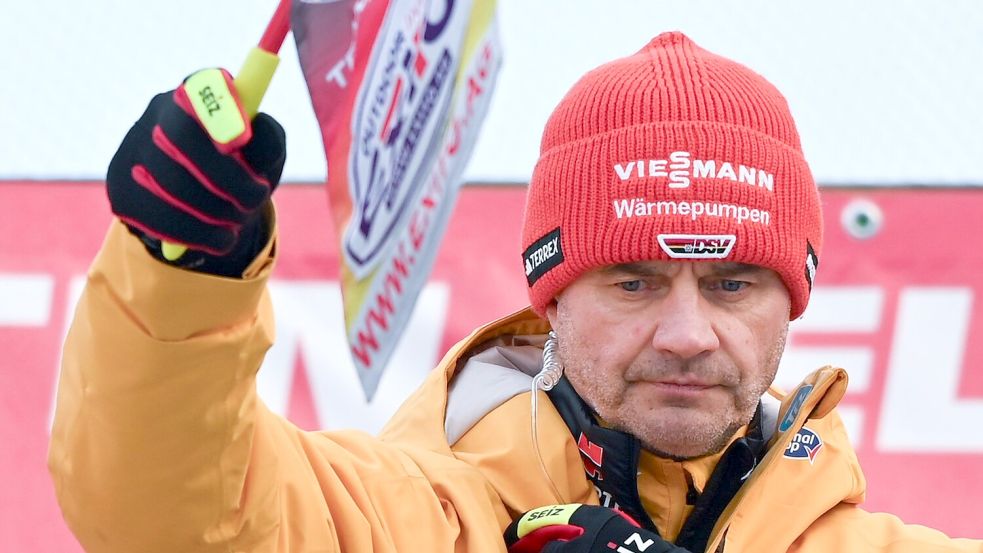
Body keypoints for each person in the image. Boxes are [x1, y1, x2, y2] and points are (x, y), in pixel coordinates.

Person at [48, 31, 981, 553]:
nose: (687, 332)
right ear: (549, 298)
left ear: (793, 300)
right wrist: (184, 273)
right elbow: (165, 514)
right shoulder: (413, 521)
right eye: (634, 281)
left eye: (731, 283)